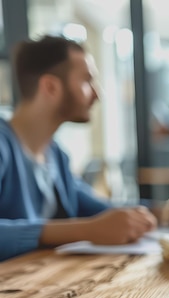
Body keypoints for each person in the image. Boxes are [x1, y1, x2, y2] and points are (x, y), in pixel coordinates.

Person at [0, 35, 157, 261]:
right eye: (87, 80)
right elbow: (93, 225)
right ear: (50, 86)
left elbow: (101, 210)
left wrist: (165, 212)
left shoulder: (55, 155)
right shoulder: (3, 146)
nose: (97, 93)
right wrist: (85, 230)